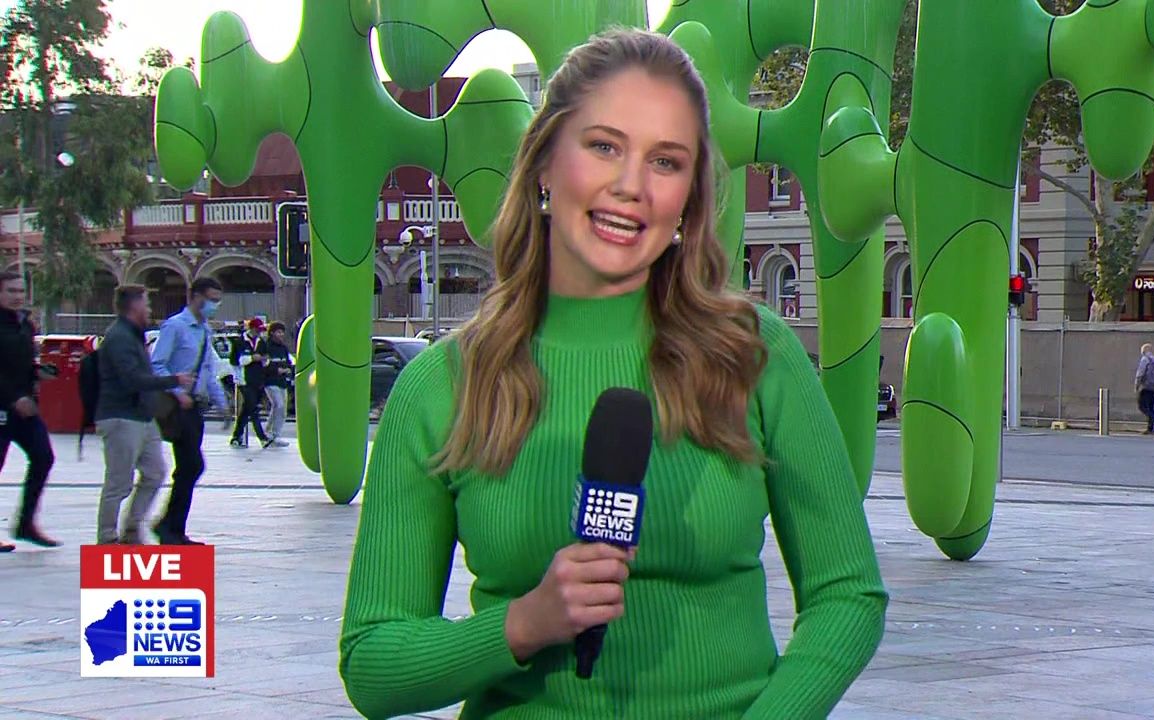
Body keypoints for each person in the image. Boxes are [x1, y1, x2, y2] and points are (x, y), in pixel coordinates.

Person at [340, 29, 886, 720]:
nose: (631, 187)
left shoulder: (754, 355)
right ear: (546, 161)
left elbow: (848, 595)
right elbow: (372, 663)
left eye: (665, 161)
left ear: (690, 196)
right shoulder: (442, 387)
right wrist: (523, 624)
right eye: (604, 147)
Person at [95, 285, 193, 544]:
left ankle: (132, 526)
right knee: (119, 481)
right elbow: (132, 379)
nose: (149, 310)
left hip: (142, 416)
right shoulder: (119, 337)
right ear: (134, 306)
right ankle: (107, 537)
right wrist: (173, 381)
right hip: (121, 415)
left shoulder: (133, 335)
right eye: (147, 304)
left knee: (155, 471)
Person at [149, 277, 229, 545]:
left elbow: (207, 369)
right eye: (211, 299)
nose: (214, 305)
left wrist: (221, 402)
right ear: (195, 297)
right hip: (178, 406)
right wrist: (177, 390)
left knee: (189, 467)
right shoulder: (175, 326)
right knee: (191, 464)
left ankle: (171, 526)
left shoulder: (204, 330)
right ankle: (170, 527)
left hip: (196, 406)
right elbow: (157, 364)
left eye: (217, 300)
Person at [0, 271, 59, 551]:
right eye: (11, 291)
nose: (18, 296)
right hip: (4, 406)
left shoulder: (25, 324)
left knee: (43, 457)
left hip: (25, 408)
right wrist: (13, 398)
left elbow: (22, 363)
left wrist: (38, 372)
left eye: (21, 291)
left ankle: (26, 523)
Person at [229, 317, 270, 448]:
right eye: (257, 330)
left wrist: (264, 359)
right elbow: (235, 361)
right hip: (244, 380)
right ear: (252, 329)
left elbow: (266, 359)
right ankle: (262, 437)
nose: (259, 333)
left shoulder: (261, 342)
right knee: (253, 408)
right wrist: (251, 358)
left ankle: (236, 436)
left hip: (257, 379)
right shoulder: (239, 342)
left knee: (247, 409)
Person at [262, 322, 293, 447]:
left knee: (281, 408)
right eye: (278, 332)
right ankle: (273, 434)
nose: (281, 334)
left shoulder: (283, 348)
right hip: (270, 381)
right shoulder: (266, 347)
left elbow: (288, 361)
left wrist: (288, 369)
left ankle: (270, 432)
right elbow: (264, 364)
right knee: (278, 404)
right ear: (272, 333)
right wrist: (276, 370)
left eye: (282, 332)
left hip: (282, 382)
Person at [1134, 343, 1154, 434]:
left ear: (1143, 351)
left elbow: (1140, 374)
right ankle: (1150, 428)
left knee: (1142, 406)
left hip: (1146, 387)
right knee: (1151, 407)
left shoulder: (1145, 359)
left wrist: (1137, 386)